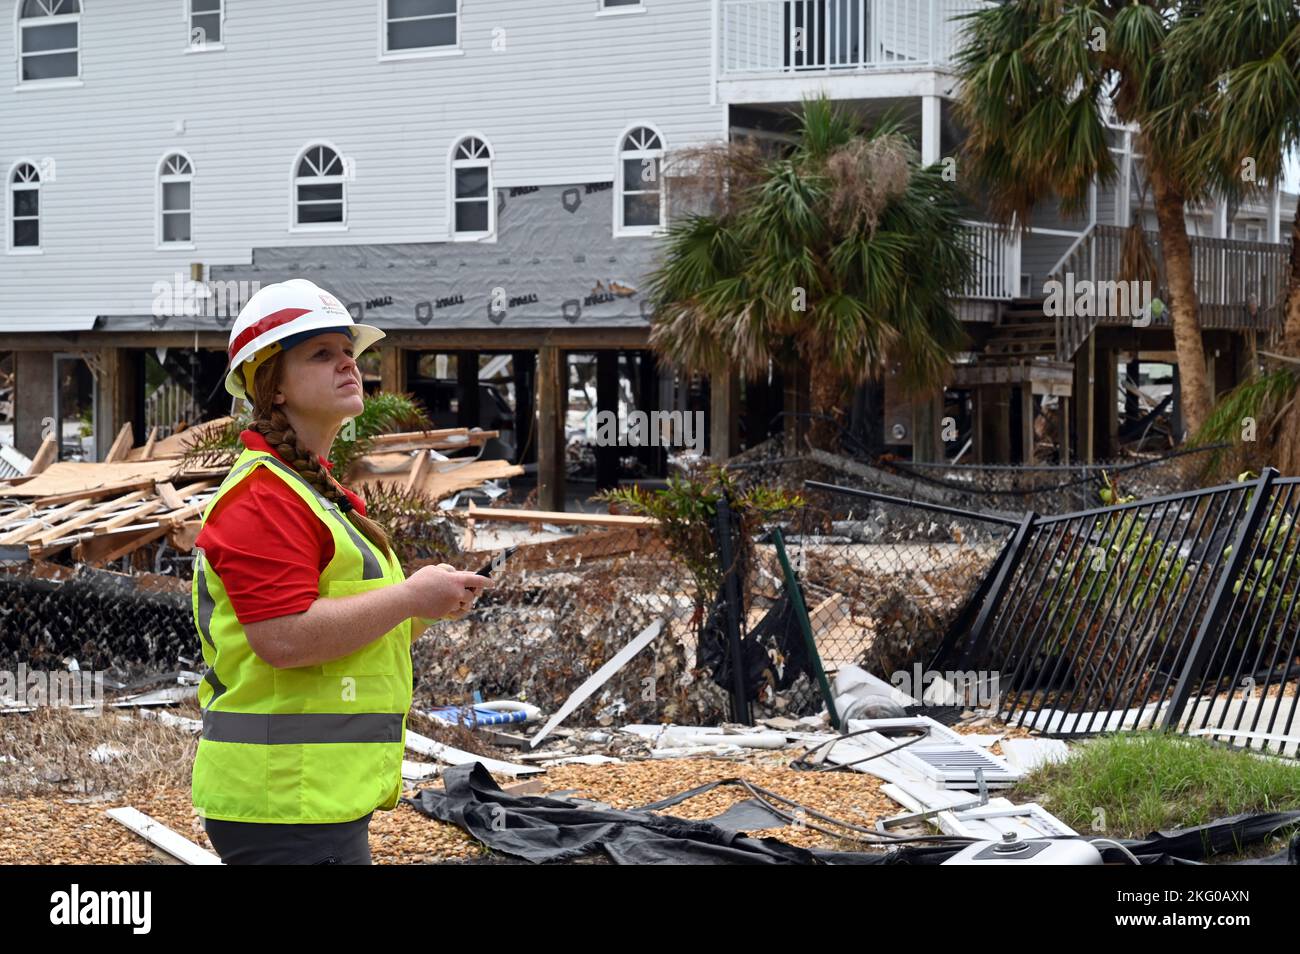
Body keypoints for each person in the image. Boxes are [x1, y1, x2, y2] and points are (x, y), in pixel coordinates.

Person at [190, 278, 492, 864]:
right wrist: (408, 598)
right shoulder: (263, 497)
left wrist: (428, 604)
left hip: (313, 793)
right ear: (272, 386)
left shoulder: (312, 488)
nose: (348, 365)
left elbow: (344, 630)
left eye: (349, 351)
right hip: (283, 798)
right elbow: (282, 637)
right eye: (321, 354)